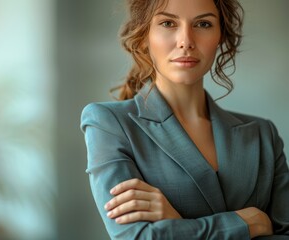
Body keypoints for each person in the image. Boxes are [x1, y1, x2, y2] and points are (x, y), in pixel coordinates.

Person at [80, 0, 289, 239]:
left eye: (203, 23)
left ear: (221, 35)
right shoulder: (108, 123)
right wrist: (248, 224)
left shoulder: (262, 134)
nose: (186, 41)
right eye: (168, 23)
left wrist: (177, 224)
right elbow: (137, 236)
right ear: (144, 34)